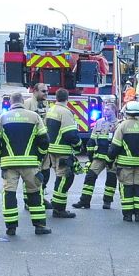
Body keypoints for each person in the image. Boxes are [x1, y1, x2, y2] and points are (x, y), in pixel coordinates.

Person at [0, 92, 52, 236]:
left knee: (9, 194)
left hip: (9, 164)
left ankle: (11, 227)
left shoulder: (2, 118)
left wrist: (0, 158)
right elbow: (44, 140)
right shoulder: (34, 117)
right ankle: (39, 226)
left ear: (10, 102)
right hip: (30, 163)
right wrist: (39, 157)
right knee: (34, 193)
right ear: (23, 102)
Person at [107, 100, 139, 222]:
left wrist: (109, 160)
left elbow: (115, 147)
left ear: (127, 112)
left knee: (127, 187)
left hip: (125, 164)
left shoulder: (122, 126)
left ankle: (127, 215)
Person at [73, 102, 118, 210]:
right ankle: (84, 201)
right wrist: (90, 156)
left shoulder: (119, 124)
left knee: (111, 180)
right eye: (104, 109)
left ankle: (107, 201)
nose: (105, 111)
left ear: (114, 111)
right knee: (90, 176)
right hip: (99, 157)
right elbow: (92, 140)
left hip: (112, 158)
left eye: (108, 109)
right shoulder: (99, 122)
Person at [45, 89, 81, 218]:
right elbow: (70, 133)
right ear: (67, 98)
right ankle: (59, 209)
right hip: (62, 151)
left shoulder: (51, 109)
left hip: (52, 150)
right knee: (65, 178)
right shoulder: (65, 112)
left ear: (56, 97)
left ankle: (57, 204)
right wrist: (78, 145)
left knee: (59, 178)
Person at [23, 84, 52, 208]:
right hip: (32, 144)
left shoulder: (45, 104)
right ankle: (28, 201)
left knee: (45, 172)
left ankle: (40, 196)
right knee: (32, 173)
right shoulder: (28, 103)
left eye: (47, 91)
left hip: (43, 142)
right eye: (43, 91)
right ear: (34, 91)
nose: (46, 93)